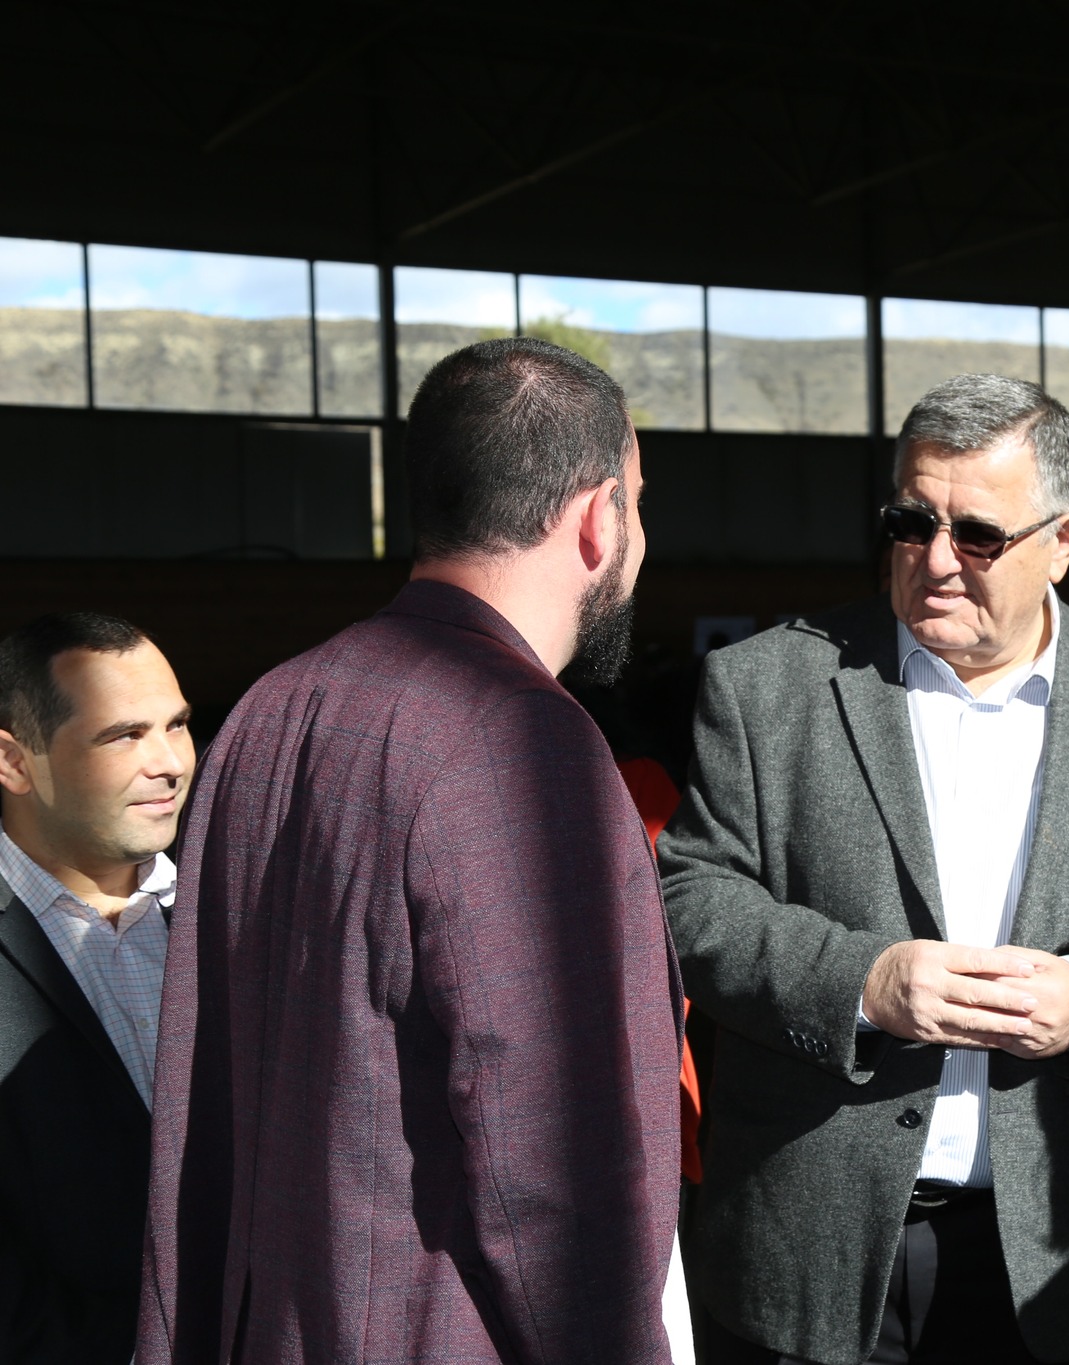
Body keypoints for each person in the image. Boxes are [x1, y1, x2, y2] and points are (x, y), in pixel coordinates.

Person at [660, 373, 1069, 1365]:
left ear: (1064, 540)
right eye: (909, 522)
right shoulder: (766, 686)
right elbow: (690, 898)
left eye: (977, 535)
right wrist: (862, 984)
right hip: (816, 1244)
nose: (934, 560)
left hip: (1062, 1253)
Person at [139, 338, 690, 1364]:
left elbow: (200, 1099)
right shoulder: (520, 740)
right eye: (640, 504)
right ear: (598, 517)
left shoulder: (269, 709)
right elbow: (557, 1172)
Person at [0, 613, 191, 1365]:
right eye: (123, 736)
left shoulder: (242, 914)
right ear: (14, 762)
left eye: (177, 725)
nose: (169, 762)